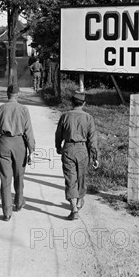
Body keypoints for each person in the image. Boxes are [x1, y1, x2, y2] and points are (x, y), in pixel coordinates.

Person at [0, 84, 36, 221]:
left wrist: (0, 144)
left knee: (5, 178)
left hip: (4, 143)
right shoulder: (23, 109)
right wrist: (31, 150)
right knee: (19, 175)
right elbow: (28, 131)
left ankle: (7, 212)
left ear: (7, 93)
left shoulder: (0, 109)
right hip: (19, 144)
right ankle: (18, 202)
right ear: (18, 94)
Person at [55, 91, 99, 220]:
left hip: (68, 148)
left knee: (70, 179)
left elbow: (58, 134)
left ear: (72, 102)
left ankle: (74, 208)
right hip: (83, 149)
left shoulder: (65, 116)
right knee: (81, 177)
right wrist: (95, 156)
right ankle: (79, 201)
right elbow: (92, 139)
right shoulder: (88, 118)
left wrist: (58, 146)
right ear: (84, 103)